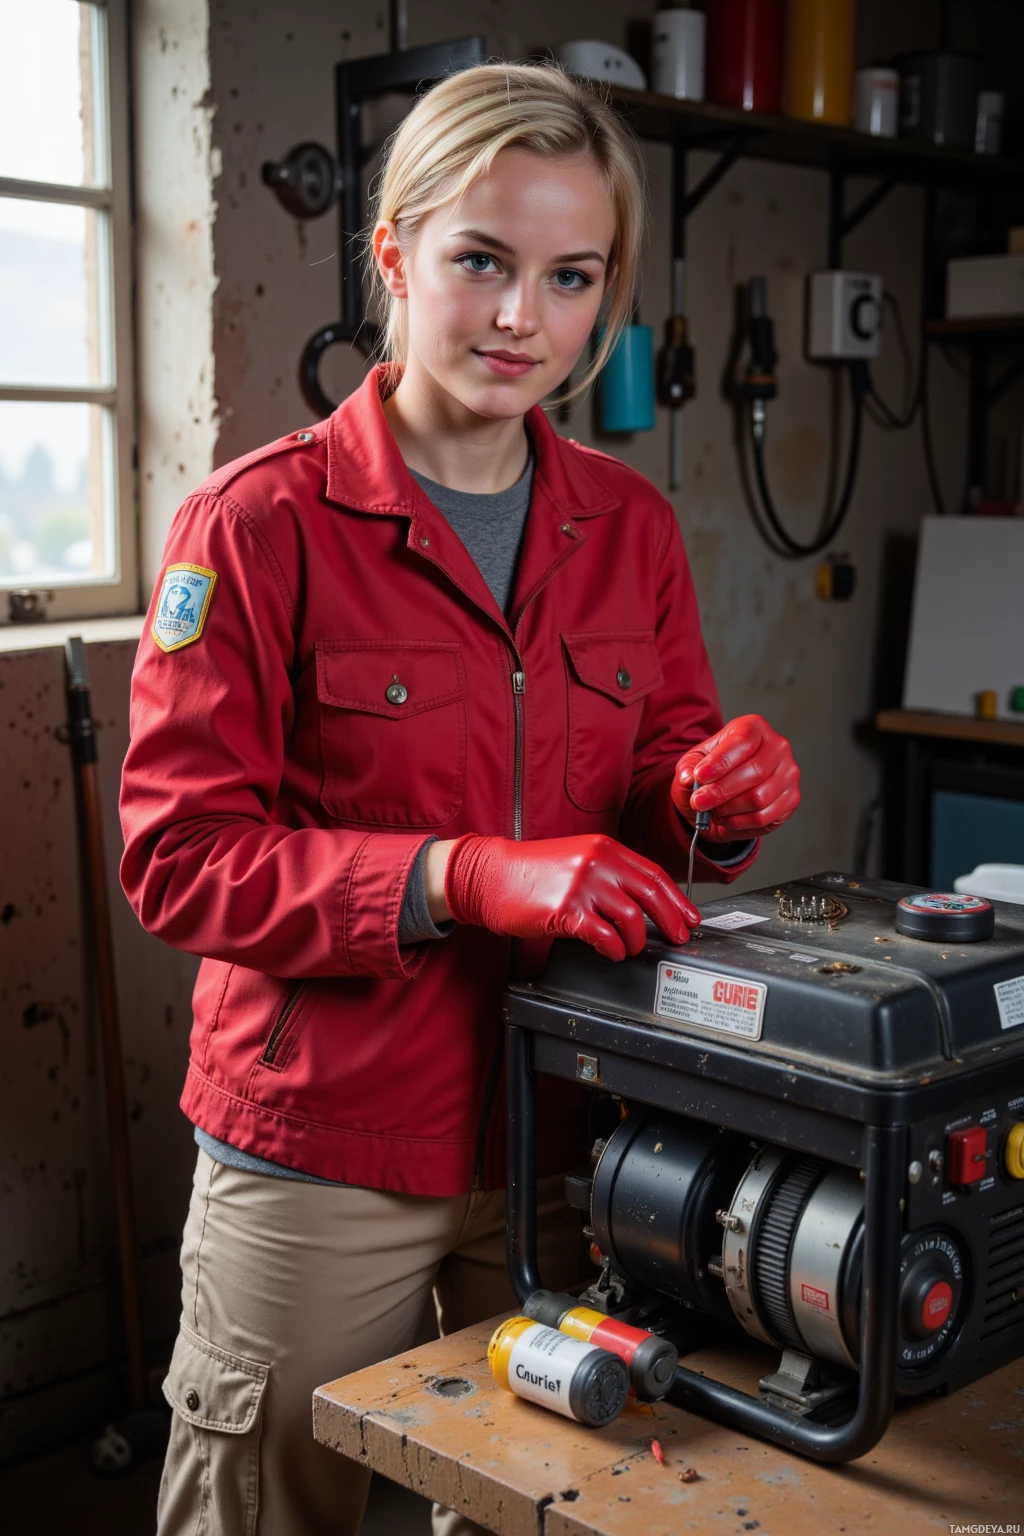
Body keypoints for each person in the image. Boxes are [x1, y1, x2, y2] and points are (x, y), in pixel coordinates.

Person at [119, 61, 800, 1536]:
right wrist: (458, 876)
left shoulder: (631, 528)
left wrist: (714, 802)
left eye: (569, 277)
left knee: (544, 1507)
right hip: (323, 1149)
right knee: (264, 1509)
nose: (518, 318)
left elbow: (653, 793)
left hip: (569, 1136)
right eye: (480, 261)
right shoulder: (258, 525)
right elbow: (181, 864)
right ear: (395, 255)